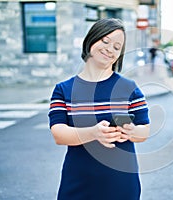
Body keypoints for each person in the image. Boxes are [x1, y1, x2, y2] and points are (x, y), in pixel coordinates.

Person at [48, 18, 150, 200]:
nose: (110, 49)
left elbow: (144, 131)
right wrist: (94, 133)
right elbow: (58, 134)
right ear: (91, 40)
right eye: (105, 41)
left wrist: (131, 131)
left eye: (117, 47)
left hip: (122, 183)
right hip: (78, 181)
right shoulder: (64, 89)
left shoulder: (129, 88)